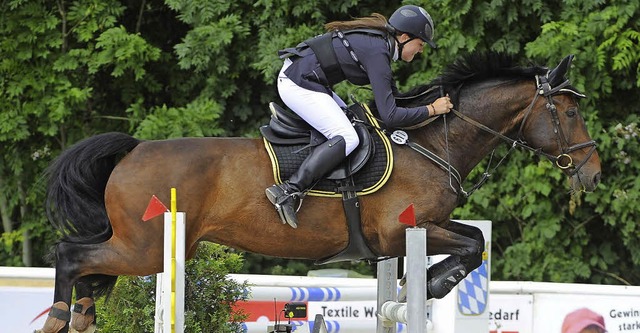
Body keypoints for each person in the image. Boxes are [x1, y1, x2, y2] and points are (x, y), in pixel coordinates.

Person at [266, 5, 454, 228]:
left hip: (310, 81)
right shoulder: (378, 52)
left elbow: (394, 100)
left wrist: (428, 105)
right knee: (348, 137)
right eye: (420, 44)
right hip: (296, 83)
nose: (420, 50)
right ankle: (289, 190)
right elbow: (391, 115)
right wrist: (432, 109)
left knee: (356, 124)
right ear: (404, 37)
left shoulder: (380, 45)